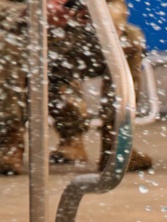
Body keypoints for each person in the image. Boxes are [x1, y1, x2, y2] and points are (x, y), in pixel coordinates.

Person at [0, 0, 152, 175]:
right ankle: (8, 143)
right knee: (7, 46)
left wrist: (104, 17)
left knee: (130, 39)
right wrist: (26, 12)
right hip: (23, 32)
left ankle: (117, 143)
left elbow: (115, 4)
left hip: (76, 33)